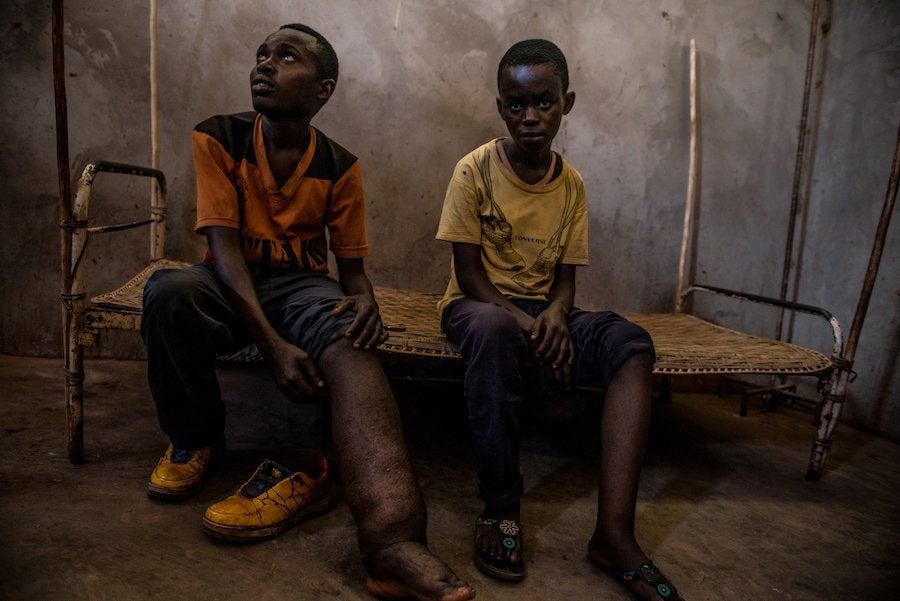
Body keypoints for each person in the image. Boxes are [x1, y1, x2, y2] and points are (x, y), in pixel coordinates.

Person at [141, 23, 475, 601]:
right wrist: (274, 348)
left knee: (351, 335)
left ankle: (392, 540)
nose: (264, 65)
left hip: (301, 286)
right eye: (262, 55)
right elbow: (222, 247)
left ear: (323, 90)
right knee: (169, 292)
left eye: (285, 57)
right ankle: (196, 438)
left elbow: (349, 272)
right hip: (227, 279)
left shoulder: (340, 165)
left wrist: (365, 305)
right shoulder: (218, 136)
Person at [435, 39, 685, 601]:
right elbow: (470, 276)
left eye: (543, 102)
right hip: (478, 307)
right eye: (516, 104)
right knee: (495, 329)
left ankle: (614, 534)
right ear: (501, 106)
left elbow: (567, 280)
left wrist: (555, 315)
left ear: (566, 103)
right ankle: (500, 509)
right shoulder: (474, 169)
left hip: (541, 312)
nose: (530, 117)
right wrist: (527, 325)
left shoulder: (570, 183)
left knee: (630, 343)